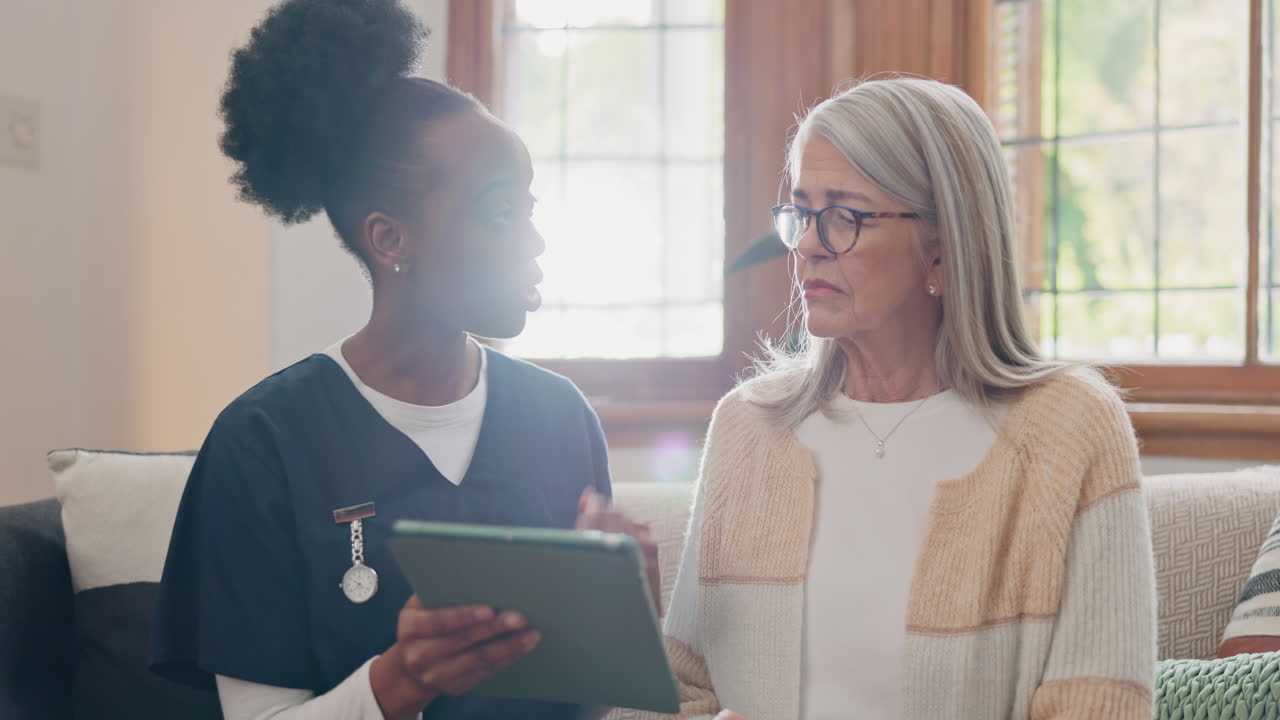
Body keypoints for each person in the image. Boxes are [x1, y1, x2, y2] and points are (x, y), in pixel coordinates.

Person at [149, 1, 652, 719]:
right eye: (501, 214)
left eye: (530, 210)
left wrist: (626, 631)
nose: (534, 241)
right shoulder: (263, 443)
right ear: (389, 239)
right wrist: (400, 682)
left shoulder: (559, 418)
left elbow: (589, 705)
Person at [660, 78, 1157, 719]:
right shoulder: (748, 427)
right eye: (802, 213)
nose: (808, 244)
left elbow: (1102, 706)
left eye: (845, 217)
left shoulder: (1070, 429)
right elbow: (684, 692)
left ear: (942, 252)